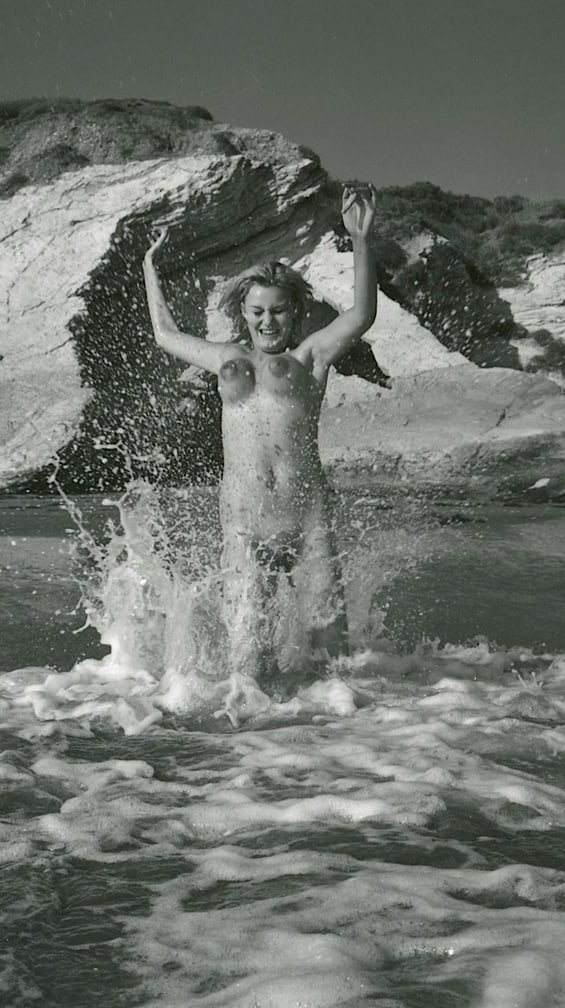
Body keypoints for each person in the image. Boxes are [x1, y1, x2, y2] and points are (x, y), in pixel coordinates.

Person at [142, 185, 377, 677]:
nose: (268, 320)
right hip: (245, 526)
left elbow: (360, 315)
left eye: (278, 310)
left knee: (335, 663)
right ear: (243, 314)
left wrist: (360, 239)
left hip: (307, 519)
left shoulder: (310, 356)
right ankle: (253, 747)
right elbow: (165, 335)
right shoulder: (227, 359)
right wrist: (149, 265)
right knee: (247, 664)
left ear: (294, 311)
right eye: (257, 311)